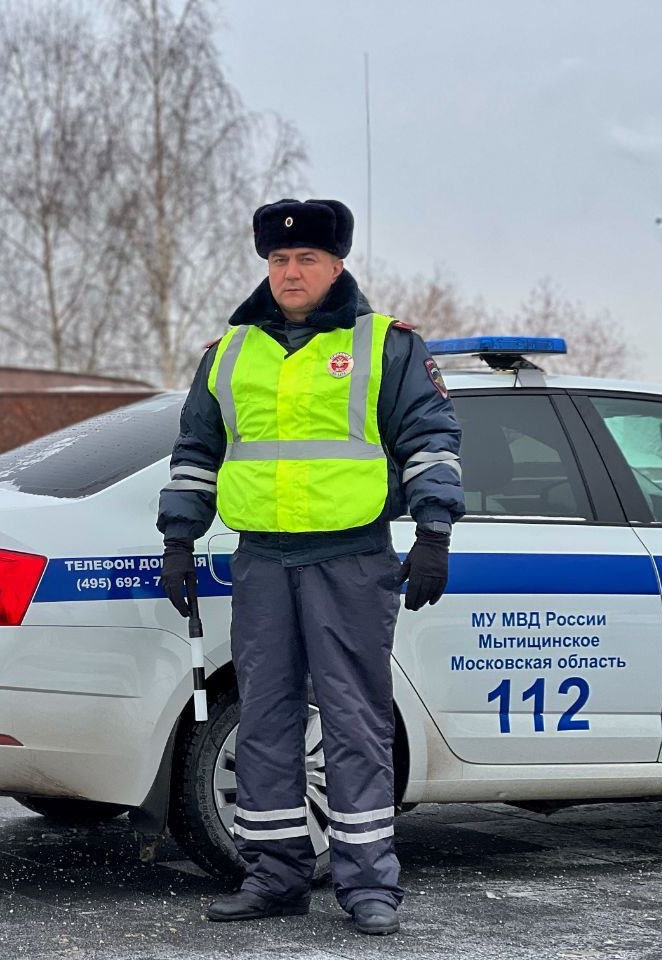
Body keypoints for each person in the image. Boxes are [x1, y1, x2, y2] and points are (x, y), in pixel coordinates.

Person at [156, 198, 464, 936]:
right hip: (261, 559)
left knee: (355, 719)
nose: (291, 272)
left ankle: (368, 886)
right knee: (265, 719)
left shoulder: (384, 345)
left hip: (350, 558)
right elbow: (197, 452)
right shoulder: (228, 352)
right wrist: (176, 538)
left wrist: (433, 531)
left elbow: (431, 438)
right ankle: (275, 874)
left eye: (307, 260)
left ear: (337, 264)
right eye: (279, 260)